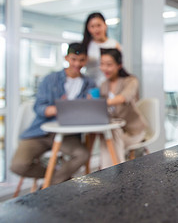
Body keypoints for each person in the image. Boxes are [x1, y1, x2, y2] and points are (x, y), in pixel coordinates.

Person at [10, 43, 95, 185]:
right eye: (74, 59)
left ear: (85, 60)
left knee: (82, 155)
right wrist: (59, 108)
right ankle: (57, 177)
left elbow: (89, 111)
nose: (77, 64)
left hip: (67, 135)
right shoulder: (50, 79)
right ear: (67, 58)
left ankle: (48, 186)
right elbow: (39, 107)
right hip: (40, 131)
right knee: (18, 165)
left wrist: (88, 105)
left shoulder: (89, 84)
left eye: (81, 60)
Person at [98, 48, 146, 168]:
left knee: (111, 137)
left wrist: (101, 103)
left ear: (119, 65)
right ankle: (113, 170)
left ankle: (110, 171)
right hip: (116, 131)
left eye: (109, 65)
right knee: (109, 134)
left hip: (132, 132)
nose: (105, 68)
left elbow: (124, 97)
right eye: (102, 64)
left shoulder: (131, 80)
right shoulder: (104, 85)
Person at [81, 12, 121, 86]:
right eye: (92, 26)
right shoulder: (86, 45)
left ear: (105, 25)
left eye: (99, 25)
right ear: (88, 28)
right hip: (90, 85)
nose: (96, 30)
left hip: (110, 84)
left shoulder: (114, 44)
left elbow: (119, 67)